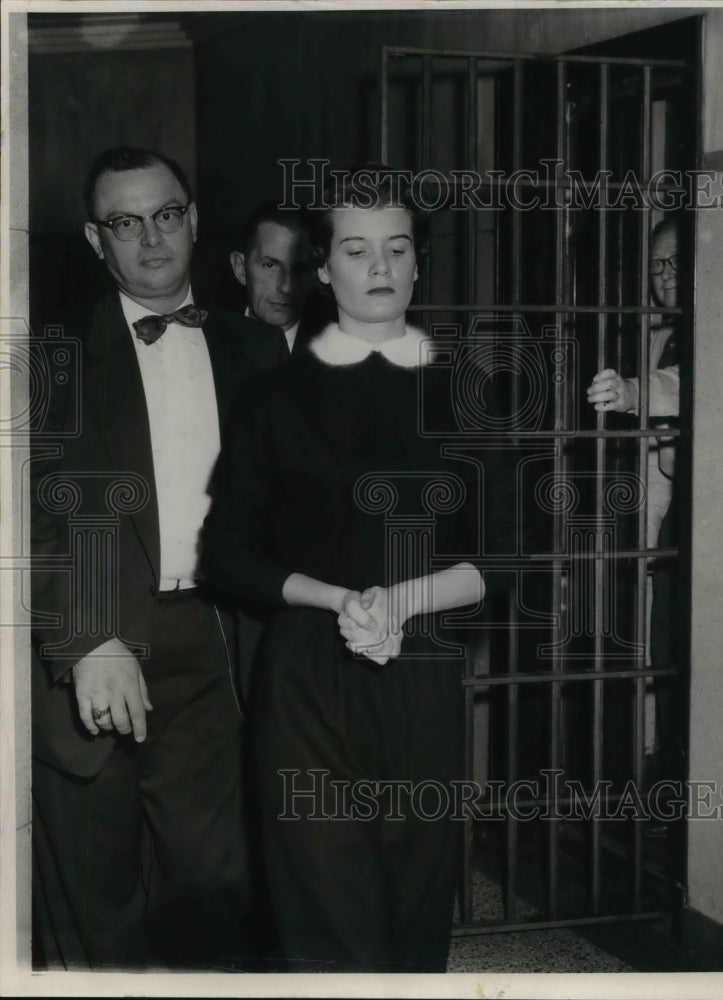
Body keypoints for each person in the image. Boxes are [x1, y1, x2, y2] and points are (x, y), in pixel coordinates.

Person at [202, 167, 514, 972]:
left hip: (420, 679)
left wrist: (402, 601)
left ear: (418, 265)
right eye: (354, 248)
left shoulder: (468, 396)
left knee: (412, 919)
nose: (378, 267)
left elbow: (509, 558)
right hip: (306, 677)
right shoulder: (269, 400)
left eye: (396, 248)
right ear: (324, 268)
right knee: (327, 923)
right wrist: (345, 600)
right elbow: (228, 557)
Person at [30, 147, 286, 969]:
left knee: (213, 885)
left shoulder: (256, 352)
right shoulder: (44, 357)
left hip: (212, 646)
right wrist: (90, 637)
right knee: (97, 902)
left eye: (167, 215)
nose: (151, 240)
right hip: (90, 640)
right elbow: (26, 521)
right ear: (93, 238)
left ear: (195, 221)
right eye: (125, 222)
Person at [586, 218, 681, 802]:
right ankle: (635, 766)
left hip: (682, 512)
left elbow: (677, 382)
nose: (665, 278)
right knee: (634, 635)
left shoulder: (715, 320)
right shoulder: (650, 329)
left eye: (675, 263)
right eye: (655, 267)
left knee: (667, 643)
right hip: (636, 503)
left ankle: (661, 773)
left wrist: (630, 392)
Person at [229, 201, 327, 360]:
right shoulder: (210, 345)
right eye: (270, 265)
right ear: (240, 268)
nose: (286, 287)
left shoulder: (337, 353)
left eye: (299, 270)